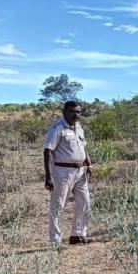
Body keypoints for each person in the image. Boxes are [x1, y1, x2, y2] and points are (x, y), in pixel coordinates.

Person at [43, 101, 93, 245]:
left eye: (78, 112)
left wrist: (88, 165)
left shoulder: (78, 127)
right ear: (64, 112)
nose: (75, 114)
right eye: (72, 111)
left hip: (80, 172)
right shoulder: (57, 129)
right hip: (62, 172)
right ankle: (55, 241)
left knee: (84, 203)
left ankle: (78, 235)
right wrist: (49, 176)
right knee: (58, 206)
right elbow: (48, 152)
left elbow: (84, 147)